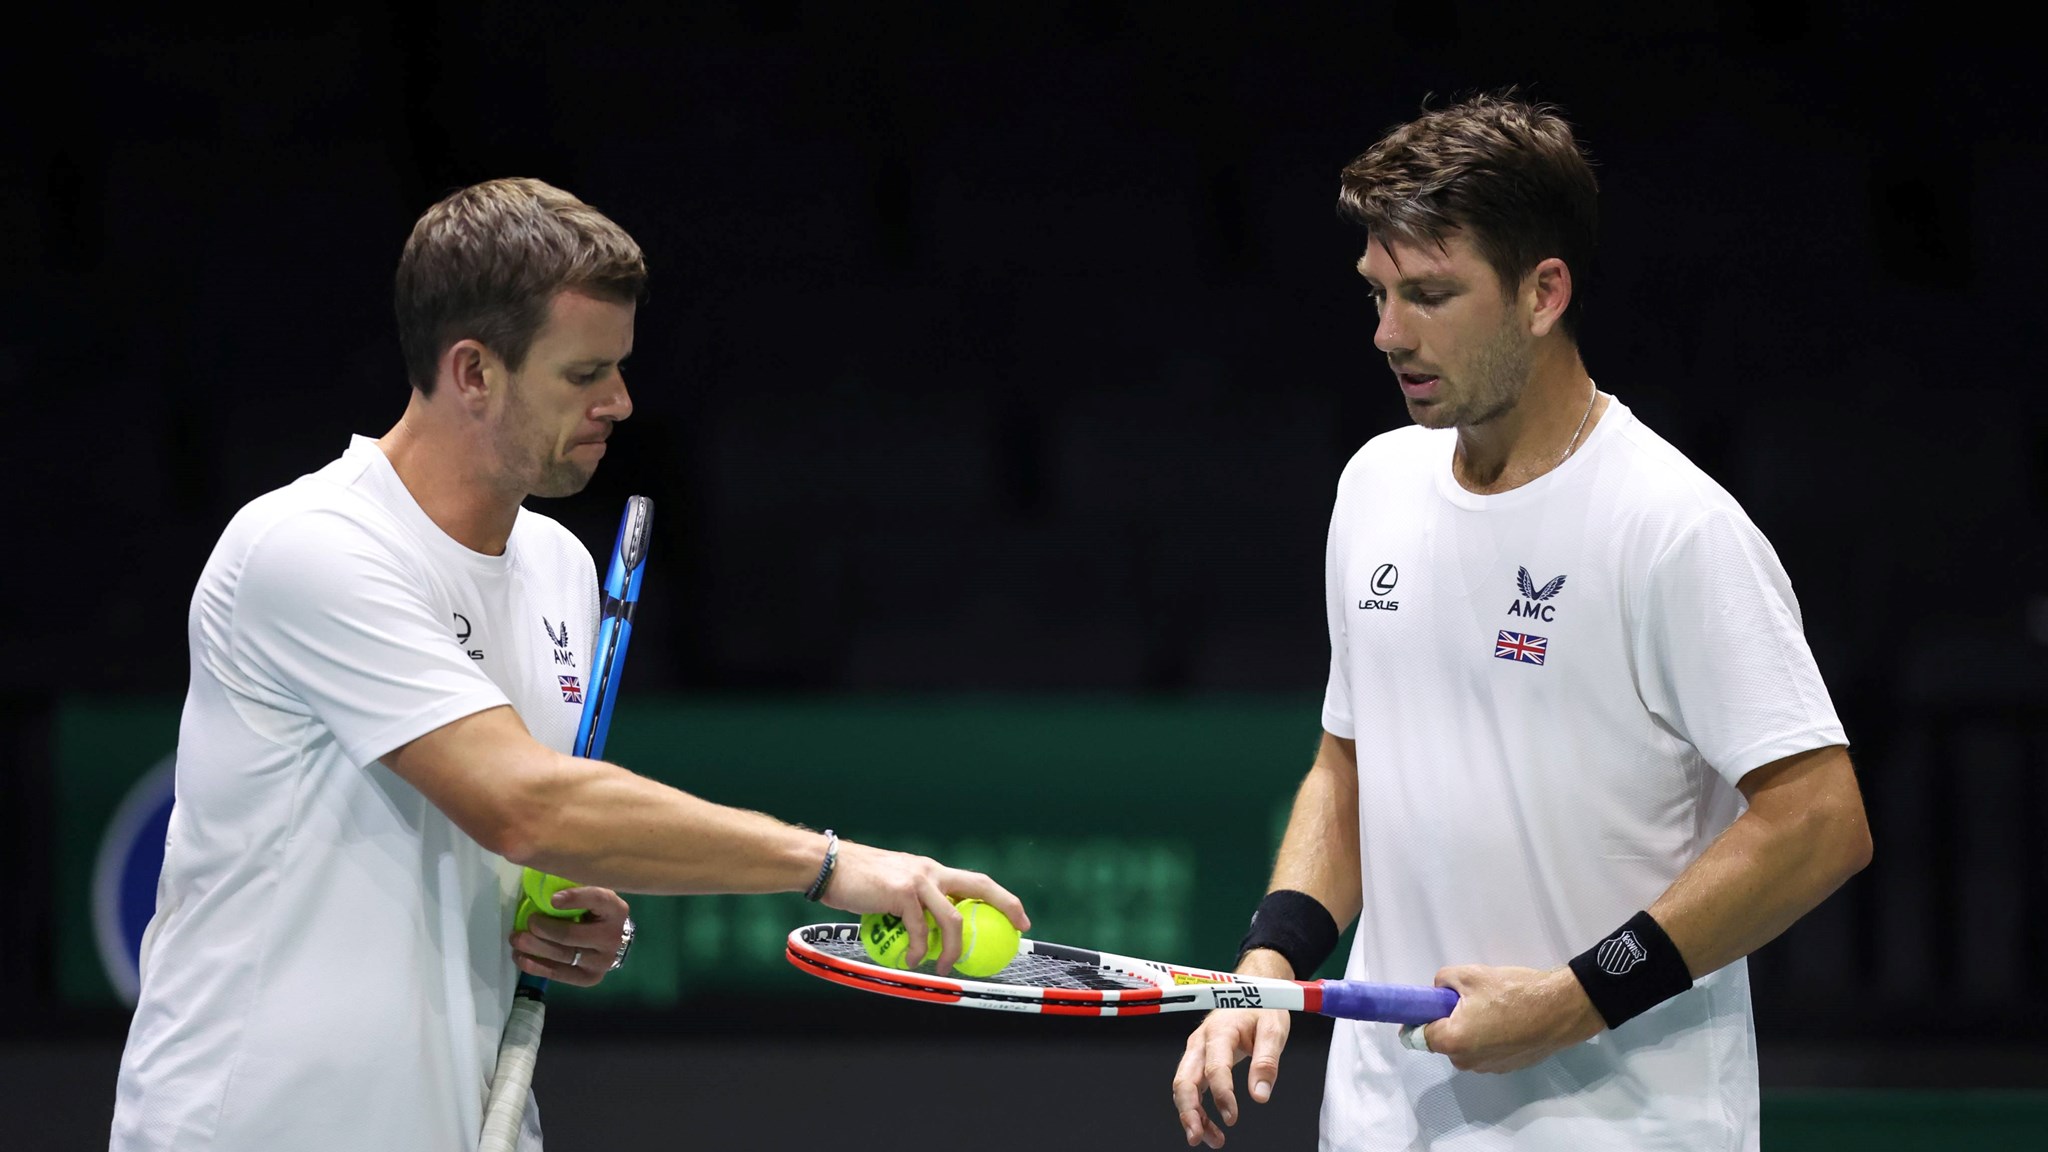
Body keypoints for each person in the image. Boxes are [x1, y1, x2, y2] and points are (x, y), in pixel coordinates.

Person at [111, 177, 1029, 1151]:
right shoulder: (310, 548)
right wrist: (834, 865)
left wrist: (561, 918)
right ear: (473, 371)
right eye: (584, 373)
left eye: (619, 369)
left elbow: (518, 845)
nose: (621, 402)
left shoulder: (557, 569)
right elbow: (529, 804)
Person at [1169, 93, 1871, 1150]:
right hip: (1381, 1120)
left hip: (1619, 1124)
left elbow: (1818, 824)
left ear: (1542, 293)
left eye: (1431, 296)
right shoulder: (1374, 485)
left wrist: (1572, 999)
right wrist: (1271, 958)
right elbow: (1348, 764)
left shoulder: (1670, 528)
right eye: (1377, 292)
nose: (1386, 334)